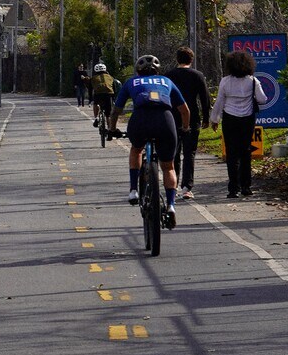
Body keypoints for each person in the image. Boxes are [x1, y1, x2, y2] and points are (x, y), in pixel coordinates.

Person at [109, 53, 191, 227]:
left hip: (141, 119)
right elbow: (185, 110)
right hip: (165, 120)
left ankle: (133, 190)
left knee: (136, 149)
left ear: (138, 71)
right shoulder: (166, 81)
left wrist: (112, 128)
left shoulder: (131, 82)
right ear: (157, 70)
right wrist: (184, 128)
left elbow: (116, 110)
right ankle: (170, 205)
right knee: (168, 166)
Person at [215, 48, 269, 197]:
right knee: (245, 152)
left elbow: (219, 102)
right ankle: (246, 186)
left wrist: (214, 119)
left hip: (230, 118)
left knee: (231, 154)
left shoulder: (225, 81)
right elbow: (262, 99)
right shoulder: (252, 81)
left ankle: (233, 188)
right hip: (247, 119)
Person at [168, 47, 211, 198]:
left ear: (177, 59)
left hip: (172, 117)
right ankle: (187, 187)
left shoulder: (169, 76)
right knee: (189, 153)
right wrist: (206, 118)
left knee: (174, 152)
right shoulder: (197, 75)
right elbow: (204, 98)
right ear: (191, 60)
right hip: (192, 118)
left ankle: (172, 184)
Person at [88, 61, 116, 128]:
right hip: (109, 94)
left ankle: (96, 118)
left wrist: (90, 99)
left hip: (98, 94)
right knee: (108, 115)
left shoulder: (93, 78)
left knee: (96, 104)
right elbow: (114, 87)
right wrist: (114, 98)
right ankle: (110, 130)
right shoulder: (110, 77)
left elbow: (90, 89)